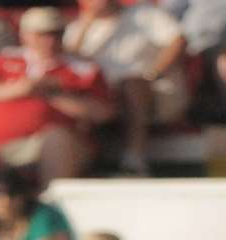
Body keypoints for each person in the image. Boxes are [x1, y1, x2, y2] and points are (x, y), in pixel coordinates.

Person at [0, 7, 112, 183]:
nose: (49, 41)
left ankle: (50, 204)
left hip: (44, 145)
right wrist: (20, 89)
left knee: (57, 139)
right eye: (41, 35)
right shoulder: (7, 59)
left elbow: (103, 113)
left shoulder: (82, 69)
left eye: (55, 34)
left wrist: (51, 94)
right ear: (25, 35)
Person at [63, 0, 187, 176]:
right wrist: (86, 24)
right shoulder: (77, 28)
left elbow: (178, 41)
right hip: (101, 97)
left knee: (132, 84)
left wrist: (154, 73)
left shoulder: (144, 13)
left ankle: (134, 159)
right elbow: (67, 63)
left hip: (152, 90)